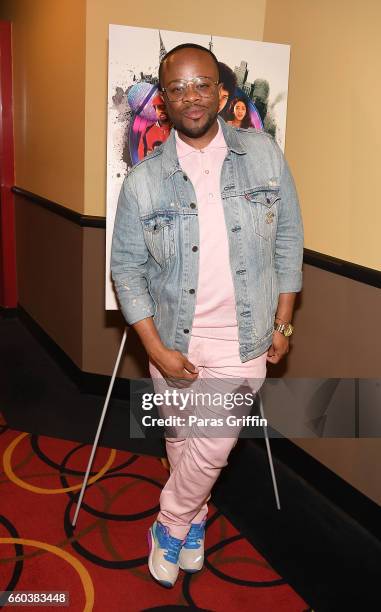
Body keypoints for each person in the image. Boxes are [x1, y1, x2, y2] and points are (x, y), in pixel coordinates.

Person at [111, 43, 304, 588]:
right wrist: (154, 349)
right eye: (176, 88)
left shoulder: (263, 155)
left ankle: (169, 522)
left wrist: (284, 322)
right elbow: (126, 269)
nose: (190, 97)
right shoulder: (145, 179)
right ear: (165, 101)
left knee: (213, 443)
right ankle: (196, 518)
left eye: (201, 85)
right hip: (171, 337)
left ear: (221, 93)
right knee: (181, 440)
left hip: (242, 342)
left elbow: (289, 239)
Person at [137, 93, 172, 159]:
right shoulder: (147, 132)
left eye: (165, 107)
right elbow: (142, 160)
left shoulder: (180, 129)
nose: (162, 111)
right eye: (159, 107)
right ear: (155, 109)